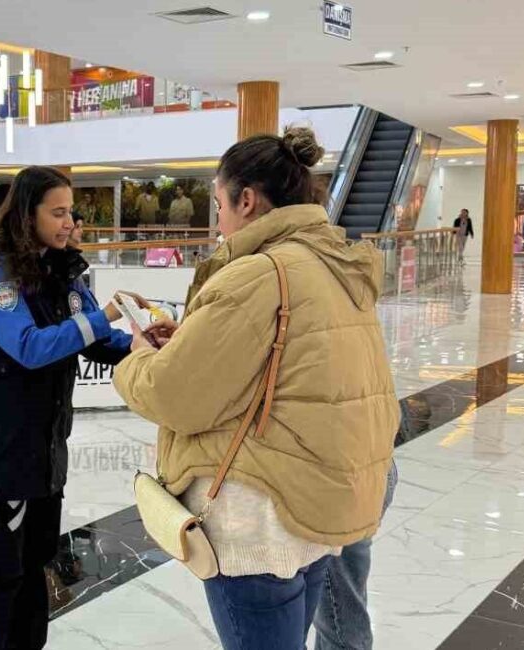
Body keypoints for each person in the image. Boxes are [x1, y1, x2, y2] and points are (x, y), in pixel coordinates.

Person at [113, 127, 399, 650]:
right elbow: (290, 370)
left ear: (246, 200)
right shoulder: (336, 263)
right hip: (316, 505)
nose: (218, 220)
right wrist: (193, 343)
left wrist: (136, 361)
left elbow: (174, 395)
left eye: (219, 204)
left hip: (260, 519)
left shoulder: (257, 274)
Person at [0, 166, 152, 650]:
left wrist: (143, 345)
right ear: (28, 213)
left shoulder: (64, 269)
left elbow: (91, 340)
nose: (69, 223)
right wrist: (99, 317)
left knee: (36, 561)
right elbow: (29, 346)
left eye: (71, 213)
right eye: (58, 212)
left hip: (45, 453)